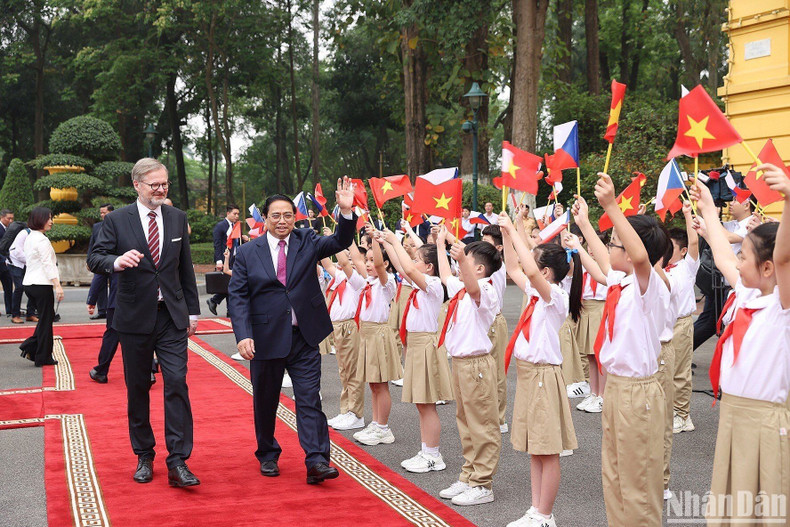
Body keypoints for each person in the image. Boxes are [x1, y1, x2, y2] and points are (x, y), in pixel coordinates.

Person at [227, 179, 356, 485]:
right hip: (264, 338)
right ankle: (268, 453)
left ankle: (317, 461)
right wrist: (243, 334)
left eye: (287, 215)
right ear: (266, 219)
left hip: (304, 337)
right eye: (276, 215)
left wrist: (347, 212)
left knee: (310, 399)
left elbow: (340, 241)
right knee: (266, 400)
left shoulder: (307, 240)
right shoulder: (248, 252)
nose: (282, 221)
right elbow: (238, 296)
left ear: (294, 217)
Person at [87, 158, 201, 488]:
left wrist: (193, 312)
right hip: (134, 317)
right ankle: (144, 454)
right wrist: (116, 262)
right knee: (138, 388)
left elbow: (184, 269)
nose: (161, 189)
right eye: (155, 184)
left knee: (177, 382)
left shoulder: (177, 218)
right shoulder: (118, 220)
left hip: (171, 317)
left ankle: (178, 459)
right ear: (137, 185)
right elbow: (95, 258)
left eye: (165, 183)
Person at [691, 167, 790, 525]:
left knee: (763, 514)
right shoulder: (748, 292)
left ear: (767, 268)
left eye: (745, 256)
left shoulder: (783, 305)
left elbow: (784, 258)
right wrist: (706, 209)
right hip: (734, 415)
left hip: (764, 421)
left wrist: (789, 200)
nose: (738, 261)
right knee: (731, 511)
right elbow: (720, 253)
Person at [572, 174, 670, 527]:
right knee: (613, 476)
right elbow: (605, 260)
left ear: (629, 251)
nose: (610, 247)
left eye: (615, 242)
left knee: (637, 483)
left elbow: (641, 258)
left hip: (637, 392)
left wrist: (612, 206)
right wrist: (584, 223)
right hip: (616, 389)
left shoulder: (649, 285)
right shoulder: (623, 280)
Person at [500, 214, 581, 527]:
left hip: (544, 377)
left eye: (534, 264)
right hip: (529, 375)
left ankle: (546, 515)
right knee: (536, 448)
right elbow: (513, 266)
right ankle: (536, 510)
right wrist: (508, 235)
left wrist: (513, 230)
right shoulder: (538, 293)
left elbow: (528, 270)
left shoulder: (554, 296)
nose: (528, 270)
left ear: (546, 272)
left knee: (548, 450)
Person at [435, 229, 502, 507]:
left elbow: (473, 287)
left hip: (476, 366)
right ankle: (468, 474)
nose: (457, 265)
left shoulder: (485, 289)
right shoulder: (461, 289)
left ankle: (483, 483)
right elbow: (444, 276)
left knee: (482, 424)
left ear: (479, 268)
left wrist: (460, 256)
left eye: (465, 261)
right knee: (465, 421)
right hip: (461, 363)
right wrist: (441, 243)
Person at [378, 230, 452, 474]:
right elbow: (402, 267)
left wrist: (395, 240)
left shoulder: (432, 284)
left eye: (418, 259)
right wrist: (388, 243)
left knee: (426, 403)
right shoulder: (423, 282)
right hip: (417, 345)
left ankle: (433, 455)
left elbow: (407, 269)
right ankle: (427, 450)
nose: (413, 262)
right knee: (422, 403)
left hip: (425, 347)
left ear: (429, 267)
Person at [351, 230, 402, 446]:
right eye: (367, 261)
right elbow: (353, 259)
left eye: (373, 260)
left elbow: (380, 267)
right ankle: (376, 422)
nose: (369, 264)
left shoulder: (386, 281)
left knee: (381, 384)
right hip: (367, 334)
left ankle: (384, 427)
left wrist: (374, 240)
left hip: (379, 334)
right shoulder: (368, 282)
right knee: (373, 383)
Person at [692, 198, 754, 349]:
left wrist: (711, 217)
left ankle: (681, 353)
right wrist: (705, 208)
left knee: (710, 323)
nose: (731, 204)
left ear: (746, 205)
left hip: (733, 283)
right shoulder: (733, 223)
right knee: (708, 321)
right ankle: (682, 354)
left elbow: (726, 237)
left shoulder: (752, 223)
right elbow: (712, 231)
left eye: (735, 200)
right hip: (721, 282)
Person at [320, 241, 366, 432]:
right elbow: (327, 263)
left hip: (350, 326)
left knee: (353, 371)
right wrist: (320, 244)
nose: (347, 259)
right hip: (338, 327)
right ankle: (346, 409)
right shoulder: (340, 278)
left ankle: (356, 413)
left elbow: (344, 263)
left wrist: (338, 239)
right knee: (344, 370)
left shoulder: (359, 279)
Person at [19, 207, 63, 367]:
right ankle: (41, 355)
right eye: (48, 218)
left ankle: (34, 348)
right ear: (40, 219)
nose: (51, 222)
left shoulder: (30, 237)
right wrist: (57, 285)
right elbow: (48, 264)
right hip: (41, 283)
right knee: (46, 320)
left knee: (46, 317)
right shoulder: (41, 240)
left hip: (30, 283)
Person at [206, 205, 240, 316]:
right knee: (230, 284)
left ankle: (218, 303)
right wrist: (219, 261)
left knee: (231, 284)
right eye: (234, 214)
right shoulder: (220, 226)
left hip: (235, 259)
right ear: (228, 213)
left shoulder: (236, 226)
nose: (237, 216)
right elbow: (217, 245)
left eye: (238, 214)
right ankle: (219, 303)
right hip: (224, 259)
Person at [86, 204, 114, 320]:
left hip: (114, 260)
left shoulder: (118, 225)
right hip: (100, 261)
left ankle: (113, 310)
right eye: (101, 213)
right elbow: (92, 244)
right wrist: (89, 260)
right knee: (98, 284)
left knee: (114, 285)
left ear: (111, 212)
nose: (102, 215)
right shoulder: (97, 226)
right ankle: (102, 310)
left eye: (104, 212)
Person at [7, 224, 37, 324]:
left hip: (28, 263)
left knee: (33, 287)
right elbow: (18, 252)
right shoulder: (24, 233)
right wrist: (31, 261)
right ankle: (15, 315)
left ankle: (30, 313)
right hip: (15, 262)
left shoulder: (39, 234)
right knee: (19, 287)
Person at [0, 209, 15, 315]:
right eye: (8, 218)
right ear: (2, 217)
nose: (10, 221)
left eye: (12, 219)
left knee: (9, 288)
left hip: (7, 264)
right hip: (2, 261)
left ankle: (10, 310)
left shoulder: (11, 230)